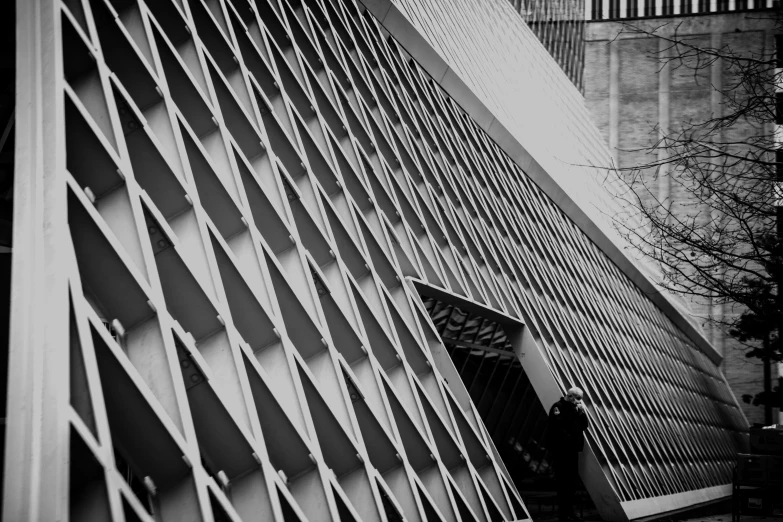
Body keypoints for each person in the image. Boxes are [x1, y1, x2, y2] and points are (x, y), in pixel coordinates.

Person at [547, 387, 589, 522]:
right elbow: (557, 428)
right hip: (562, 450)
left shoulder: (575, 408)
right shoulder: (558, 407)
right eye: (578, 399)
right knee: (563, 480)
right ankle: (563, 513)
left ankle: (570, 511)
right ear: (570, 396)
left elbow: (584, 425)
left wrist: (582, 412)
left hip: (572, 450)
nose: (578, 402)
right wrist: (570, 441)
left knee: (571, 481)